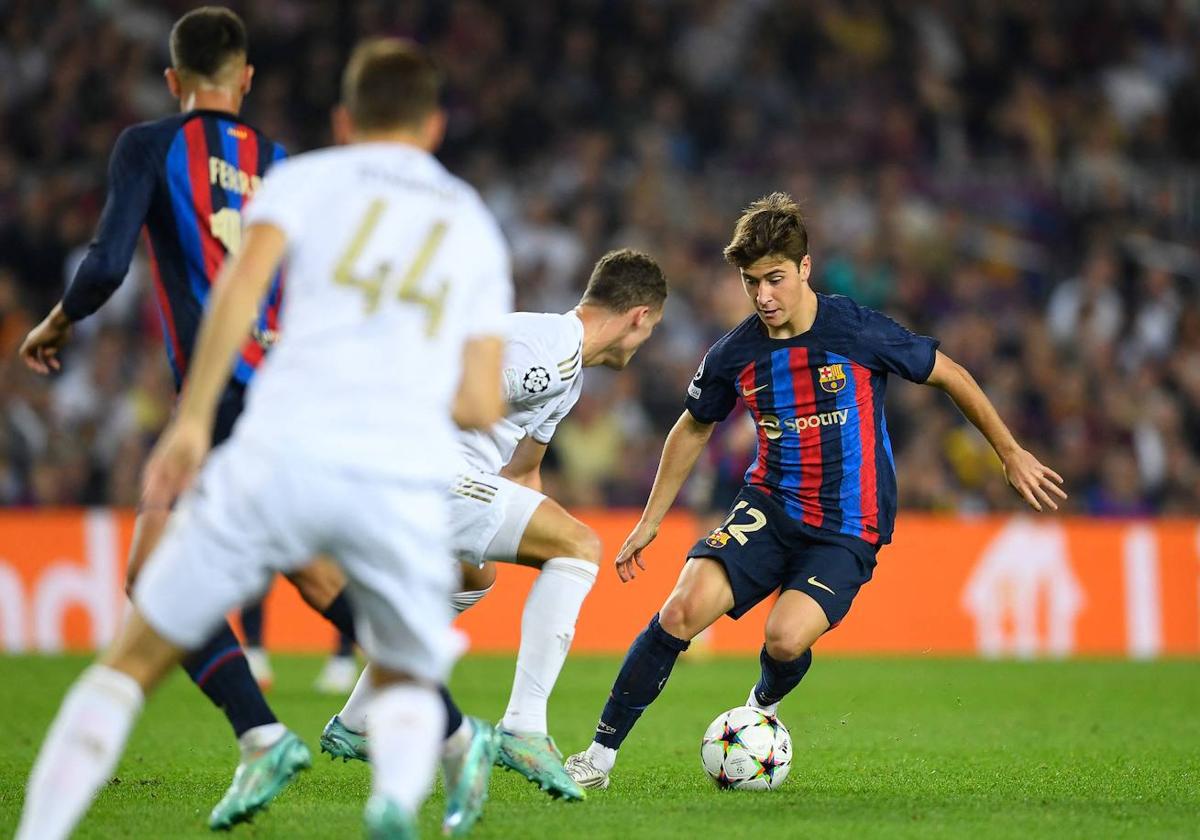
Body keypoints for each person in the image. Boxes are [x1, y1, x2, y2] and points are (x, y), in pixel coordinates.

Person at [15, 36, 511, 840]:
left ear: (344, 120)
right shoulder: (468, 220)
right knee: (374, 629)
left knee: (137, 638)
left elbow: (221, 290)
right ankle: (407, 765)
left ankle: (264, 738)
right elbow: (480, 396)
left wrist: (189, 421)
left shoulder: (299, 177)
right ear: (437, 126)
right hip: (383, 463)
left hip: (270, 426)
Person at [564, 192, 1066, 789]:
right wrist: (651, 519)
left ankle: (762, 706)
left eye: (775, 279)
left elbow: (950, 373)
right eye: (752, 283)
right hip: (770, 507)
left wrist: (1009, 453)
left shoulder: (854, 328)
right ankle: (597, 758)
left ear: (805, 268)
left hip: (849, 526)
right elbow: (693, 425)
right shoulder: (736, 353)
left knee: (783, 638)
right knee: (679, 610)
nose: (764, 297)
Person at [16, 8, 370, 828]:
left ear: (174, 82)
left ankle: (263, 732)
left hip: (222, 396)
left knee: (150, 573)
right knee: (313, 572)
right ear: (245, 80)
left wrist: (59, 321)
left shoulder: (151, 144)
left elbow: (105, 266)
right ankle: (442, 720)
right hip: (293, 393)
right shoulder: (282, 164)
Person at [319, 249, 668, 808]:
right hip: (420, 467)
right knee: (582, 544)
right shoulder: (549, 349)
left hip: (446, 475)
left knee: (472, 574)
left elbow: (524, 471)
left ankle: (358, 721)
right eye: (649, 331)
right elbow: (450, 393)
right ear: (640, 317)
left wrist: (543, 550)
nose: (643, 343)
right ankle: (523, 728)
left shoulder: (569, 376)